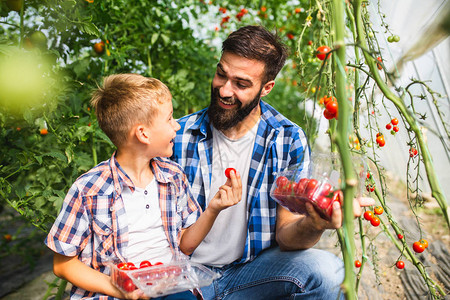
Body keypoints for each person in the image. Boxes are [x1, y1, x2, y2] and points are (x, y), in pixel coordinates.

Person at [171, 25, 375, 299]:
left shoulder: (287, 139)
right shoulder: (178, 136)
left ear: (266, 88)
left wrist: (315, 223)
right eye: (221, 74)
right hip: (184, 274)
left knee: (329, 273)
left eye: (241, 84)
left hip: (249, 273)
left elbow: (286, 236)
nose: (224, 90)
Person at [45, 74, 242, 300]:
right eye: (169, 119)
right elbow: (63, 264)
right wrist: (118, 288)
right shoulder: (89, 189)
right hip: (111, 294)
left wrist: (213, 209)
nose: (177, 125)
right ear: (143, 134)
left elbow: (185, 246)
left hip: (169, 287)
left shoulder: (173, 176)